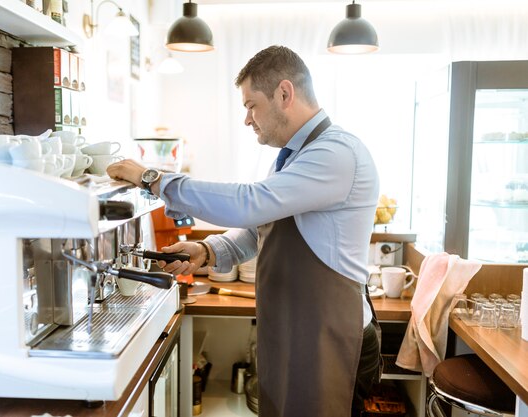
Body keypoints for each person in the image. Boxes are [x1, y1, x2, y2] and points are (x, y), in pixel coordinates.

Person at [107, 45, 381, 417]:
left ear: (284, 94)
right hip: (297, 334)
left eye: (251, 105)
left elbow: (248, 203)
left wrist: (153, 179)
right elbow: (258, 229)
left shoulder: (335, 153)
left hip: (331, 340)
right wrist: (207, 251)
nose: (247, 119)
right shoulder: (293, 158)